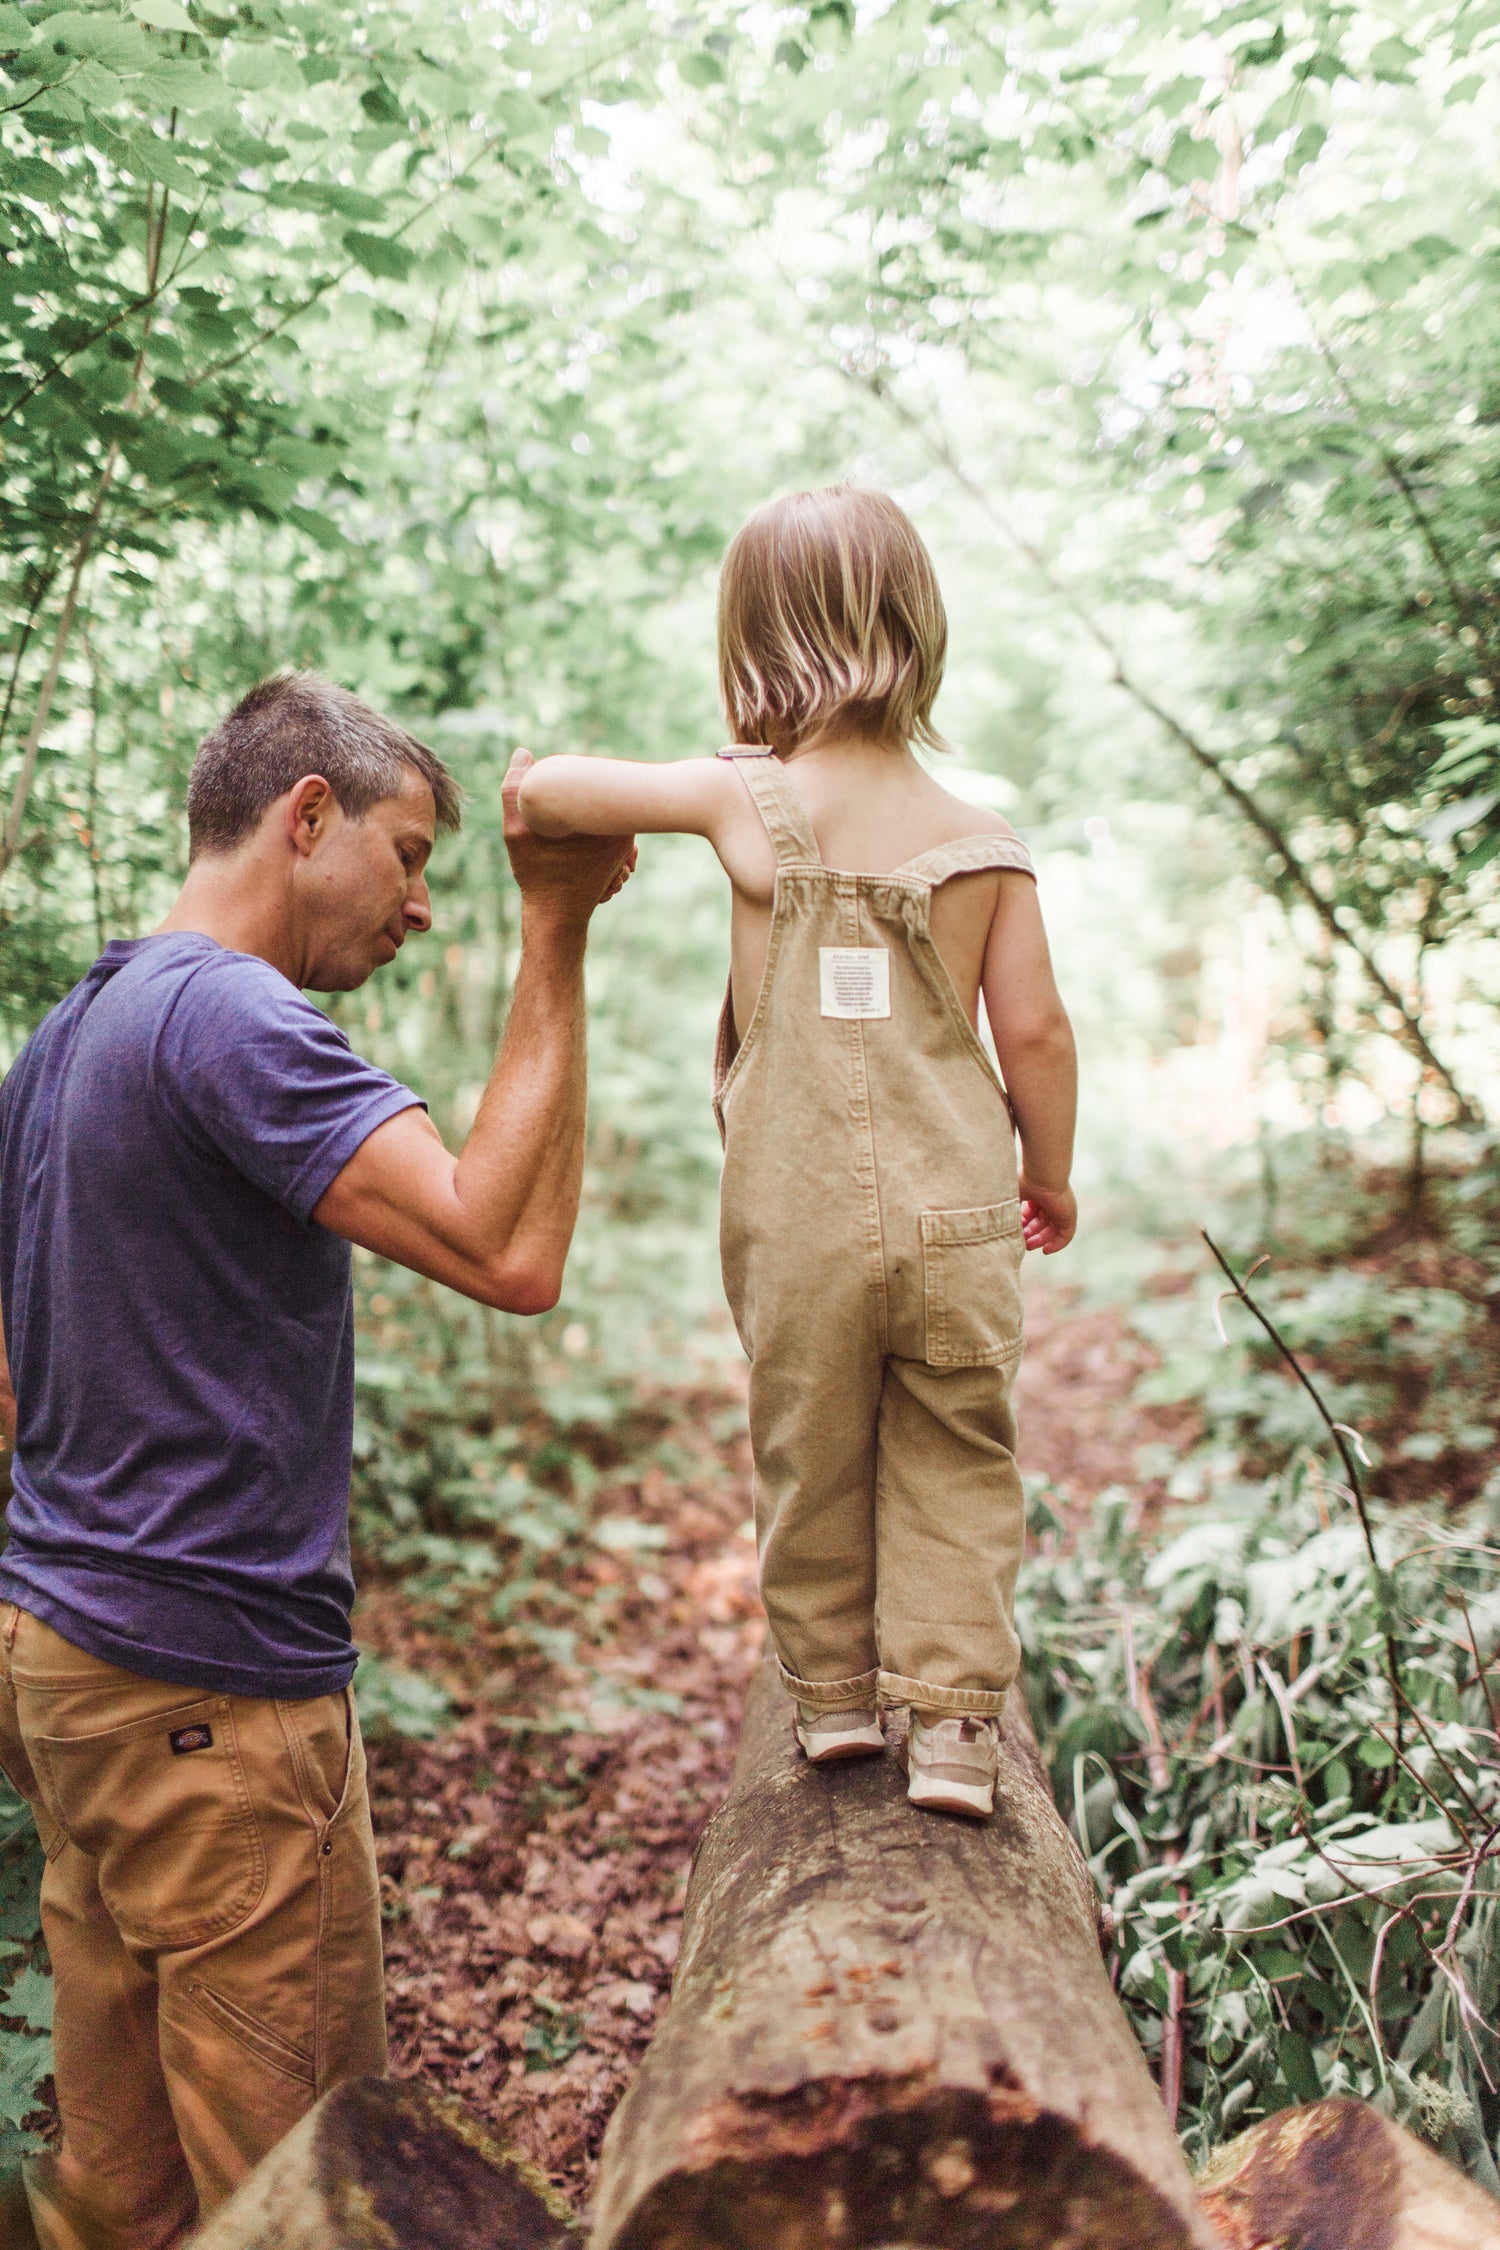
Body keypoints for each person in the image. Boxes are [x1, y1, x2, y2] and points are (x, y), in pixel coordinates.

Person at [0, 672, 632, 2250]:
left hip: (64, 1669)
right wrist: (555, 929)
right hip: (212, 1697)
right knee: (300, 2194)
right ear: (304, 817)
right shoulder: (231, 1014)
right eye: (407, 855)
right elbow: (506, 1246)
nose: (419, 905)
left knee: (116, 2194)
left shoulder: (67, 1034)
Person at [518, 486, 1077, 1822]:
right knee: (957, 1453)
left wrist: (630, 788)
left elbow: (545, 790)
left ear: (756, 642)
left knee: (807, 1447)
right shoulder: (985, 845)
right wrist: (1049, 1174)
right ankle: (954, 1727)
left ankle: (831, 1698)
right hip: (958, 1221)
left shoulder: (740, 800)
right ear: (916, 631)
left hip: (798, 1221)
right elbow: (1038, 1033)